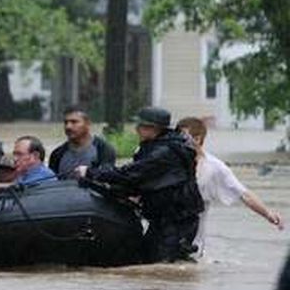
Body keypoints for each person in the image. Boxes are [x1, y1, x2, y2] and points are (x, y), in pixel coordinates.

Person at [76, 107, 204, 263]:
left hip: (177, 221)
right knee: (145, 259)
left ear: (154, 128)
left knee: (164, 264)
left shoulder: (164, 152)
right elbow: (138, 181)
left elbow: (130, 174)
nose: (136, 129)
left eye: (141, 126)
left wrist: (91, 173)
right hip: (163, 219)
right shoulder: (157, 146)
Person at [176, 117, 283, 256]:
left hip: (192, 243)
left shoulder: (214, 167)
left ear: (197, 139)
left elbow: (243, 194)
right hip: (161, 236)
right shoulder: (166, 161)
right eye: (176, 137)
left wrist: (268, 214)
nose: (178, 142)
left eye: (183, 138)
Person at [48, 105, 116, 179]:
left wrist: (89, 172)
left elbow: (107, 177)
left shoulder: (103, 149)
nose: (68, 126)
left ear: (88, 124)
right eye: (66, 122)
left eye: (74, 122)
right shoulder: (57, 154)